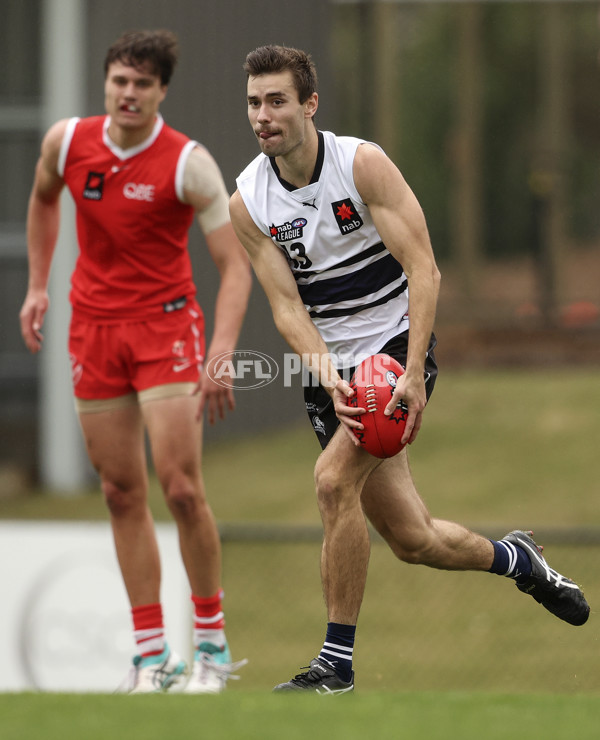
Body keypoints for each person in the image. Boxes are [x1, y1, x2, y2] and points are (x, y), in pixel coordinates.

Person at [229, 44, 590, 694]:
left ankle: (335, 666)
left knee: (332, 481)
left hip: (396, 352)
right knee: (413, 539)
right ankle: (519, 560)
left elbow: (423, 267)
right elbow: (286, 307)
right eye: (254, 101)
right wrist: (326, 373)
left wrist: (414, 370)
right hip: (333, 372)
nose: (263, 114)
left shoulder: (361, 164)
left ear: (310, 104)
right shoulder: (248, 202)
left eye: (277, 100)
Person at [19, 30, 252, 694]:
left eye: (141, 85)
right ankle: (152, 659)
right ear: (106, 83)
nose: (128, 93)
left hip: (165, 330)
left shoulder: (188, 164)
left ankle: (210, 645)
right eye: (119, 80)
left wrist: (223, 351)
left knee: (180, 488)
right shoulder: (67, 143)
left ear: (161, 93)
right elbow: (41, 199)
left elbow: (234, 268)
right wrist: (38, 286)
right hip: (93, 330)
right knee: (121, 491)